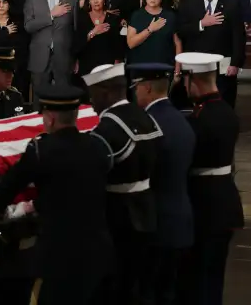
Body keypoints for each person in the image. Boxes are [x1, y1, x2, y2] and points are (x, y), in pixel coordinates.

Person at [0, 84, 115, 305]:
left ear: (50, 118)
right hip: (98, 253)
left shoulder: (40, 151)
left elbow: (2, 195)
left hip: (59, 258)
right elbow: (74, 189)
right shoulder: (97, 146)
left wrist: (1, 209)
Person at [82, 63, 162, 305]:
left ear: (106, 92)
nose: (91, 99)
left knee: (113, 290)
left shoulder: (108, 129)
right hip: (147, 212)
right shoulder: (145, 117)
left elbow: (90, 178)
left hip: (117, 219)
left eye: (93, 93)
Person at [175, 52, 244, 305]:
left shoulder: (200, 119)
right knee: (214, 281)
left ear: (192, 79)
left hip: (205, 209)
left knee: (198, 283)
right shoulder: (226, 111)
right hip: (226, 205)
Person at [126, 63, 195, 305]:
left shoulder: (149, 125)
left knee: (148, 294)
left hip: (156, 225)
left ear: (146, 88)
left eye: (136, 88)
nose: (135, 94)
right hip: (181, 222)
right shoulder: (181, 119)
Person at [178, 0, 246, 108]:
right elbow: (181, 31)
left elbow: (239, 37)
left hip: (223, 66)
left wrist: (235, 62)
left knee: (224, 104)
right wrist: (201, 24)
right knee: (198, 105)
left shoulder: (232, 4)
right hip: (197, 65)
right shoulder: (189, 4)